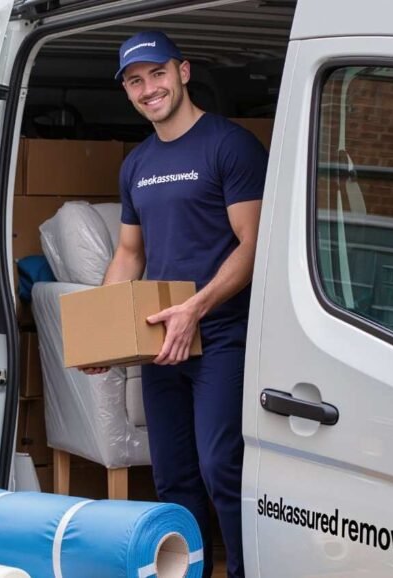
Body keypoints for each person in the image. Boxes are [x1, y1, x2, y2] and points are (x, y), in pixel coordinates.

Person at [83, 31, 267, 578]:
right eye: (135, 82)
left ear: (183, 72)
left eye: (156, 74)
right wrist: (102, 334)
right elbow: (128, 254)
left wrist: (197, 308)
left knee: (221, 468)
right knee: (172, 476)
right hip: (159, 338)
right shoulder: (136, 164)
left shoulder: (229, 145)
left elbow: (252, 244)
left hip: (222, 334)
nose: (148, 88)